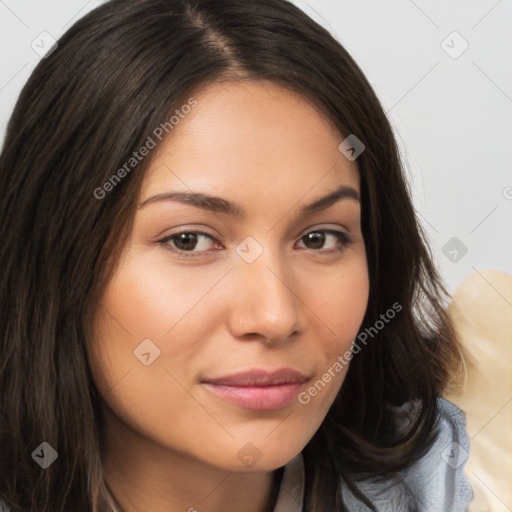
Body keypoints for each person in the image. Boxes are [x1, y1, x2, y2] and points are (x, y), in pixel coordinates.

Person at [0, 0, 473, 511]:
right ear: (54, 259)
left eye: (319, 238)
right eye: (190, 240)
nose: (275, 316)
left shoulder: (458, 484)